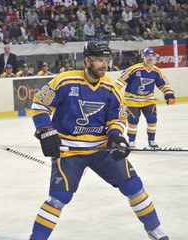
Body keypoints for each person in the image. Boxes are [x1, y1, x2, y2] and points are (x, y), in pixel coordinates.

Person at [29, 41, 169, 240]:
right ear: (87, 61)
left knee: (133, 187)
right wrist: (45, 131)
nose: (104, 65)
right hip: (70, 151)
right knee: (59, 198)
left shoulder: (110, 87)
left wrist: (116, 137)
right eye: (99, 60)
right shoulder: (65, 81)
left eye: (106, 60)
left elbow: (117, 118)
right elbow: (39, 106)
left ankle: (154, 229)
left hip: (102, 149)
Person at [115, 47, 175, 148]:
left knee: (152, 119)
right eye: (148, 56)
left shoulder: (156, 71)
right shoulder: (134, 69)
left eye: (152, 56)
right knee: (133, 121)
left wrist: (168, 94)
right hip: (132, 101)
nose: (150, 58)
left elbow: (164, 85)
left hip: (148, 101)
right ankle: (131, 141)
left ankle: (151, 140)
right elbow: (119, 82)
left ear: (155, 57)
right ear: (144, 57)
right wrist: (113, 95)